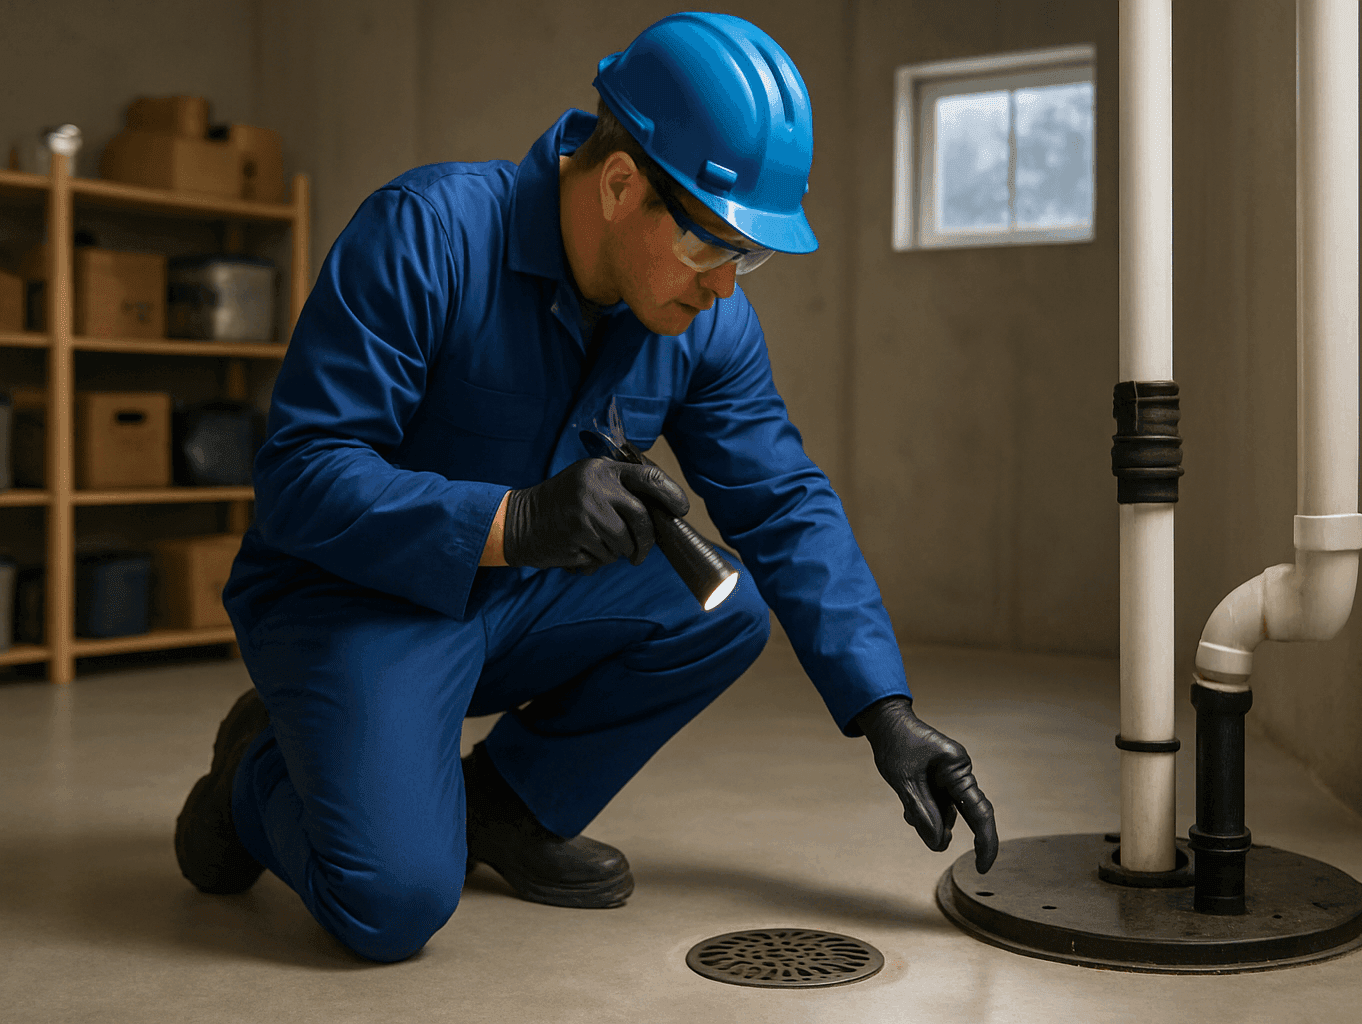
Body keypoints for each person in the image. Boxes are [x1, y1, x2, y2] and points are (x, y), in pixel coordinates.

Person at [175, 12, 998, 964]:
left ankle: (502, 810)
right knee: (391, 906)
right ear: (619, 184)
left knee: (722, 606)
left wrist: (882, 711)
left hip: (513, 601)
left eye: (749, 255)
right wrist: (514, 518)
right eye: (710, 245)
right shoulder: (426, 236)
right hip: (353, 600)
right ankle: (252, 771)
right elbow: (303, 476)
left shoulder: (702, 323)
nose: (726, 286)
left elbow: (781, 503)